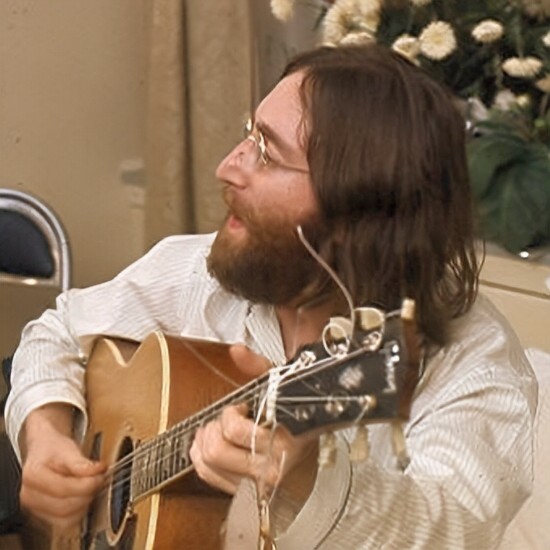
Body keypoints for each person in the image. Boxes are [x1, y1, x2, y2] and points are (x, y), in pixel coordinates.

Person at [5, 44, 536, 549]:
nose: (227, 167)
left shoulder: (471, 360)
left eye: (267, 152)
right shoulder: (199, 272)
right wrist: (46, 435)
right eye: (248, 134)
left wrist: (307, 482)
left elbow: (457, 529)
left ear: (357, 216)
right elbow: (59, 332)